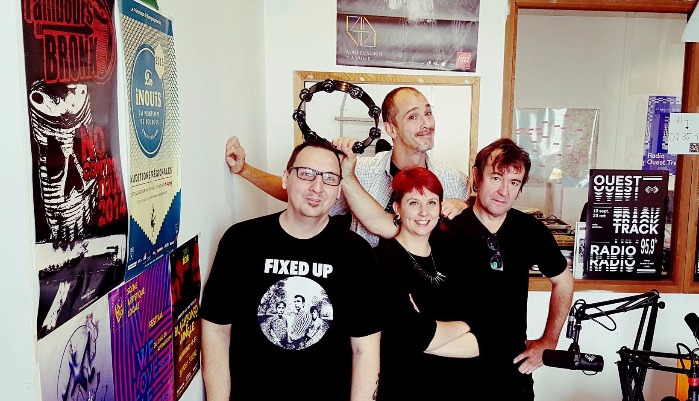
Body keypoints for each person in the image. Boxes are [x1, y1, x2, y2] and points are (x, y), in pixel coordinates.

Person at [201, 138, 382, 401]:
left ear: (339, 190)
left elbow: (365, 349)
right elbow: (216, 331)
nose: (317, 187)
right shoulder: (241, 241)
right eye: (306, 174)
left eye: (330, 178)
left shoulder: (357, 254)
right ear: (286, 178)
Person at [224, 86, 469, 247]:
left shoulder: (454, 180)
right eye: (413, 117)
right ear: (390, 129)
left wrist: (464, 204)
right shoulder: (359, 171)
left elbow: (473, 223)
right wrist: (245, 170)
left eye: (428, 113)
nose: (426, 124)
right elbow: (302, 191)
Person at [443, 138, 574, 400]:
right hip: (451, 370)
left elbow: (564, 281)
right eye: (496, 178)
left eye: (514, 182)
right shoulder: (448, 229)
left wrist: (549, 341)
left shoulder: (530, 230)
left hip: (511, 371)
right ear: (477, 177)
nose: (504, 191)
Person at [374, 167, 481, 401]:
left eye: (431, 203)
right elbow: (406, 337)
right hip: (407, 389)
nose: (424, 212)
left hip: (461, 389)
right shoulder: (382, 261)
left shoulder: (452, 255)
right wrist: (467, 323)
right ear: (397, 208)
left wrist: (425, 336)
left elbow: (487, 336)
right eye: (414, 203)